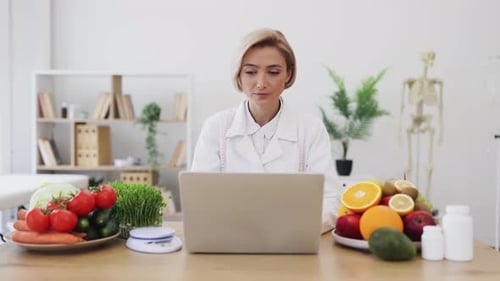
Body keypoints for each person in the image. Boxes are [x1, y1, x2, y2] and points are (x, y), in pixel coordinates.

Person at [191, 28, 341, 234]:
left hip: (294, 243)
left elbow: (330, 199)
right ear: (239, 75)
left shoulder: (310, 129)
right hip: (230, 243)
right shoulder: (216, 127)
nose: (261, 83)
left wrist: (294, 230)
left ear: (288, 74)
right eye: (251, 72)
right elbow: (200, 198)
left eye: (273, 72)